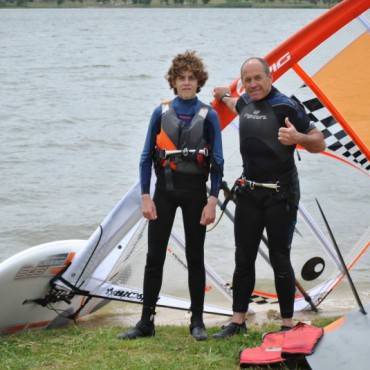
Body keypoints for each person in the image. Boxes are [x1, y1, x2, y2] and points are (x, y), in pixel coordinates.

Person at [212, 57, 325, 338]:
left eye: (257, 78)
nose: (252, 84)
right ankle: (238, 320)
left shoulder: (286, 105)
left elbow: (319, 142)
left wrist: (297, 136)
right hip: (249, 192)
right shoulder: (245, 103)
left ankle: (287, 323)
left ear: (269, 77)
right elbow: (232, 102)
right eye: (247, 80)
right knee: (243, 257)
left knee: (280, 257)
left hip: (280, 195)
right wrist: (222, 93)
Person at [118, 51, 224, 341]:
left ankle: (197, 321)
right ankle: (145, 322)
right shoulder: (160, 112)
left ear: (198, 81)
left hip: (195, 195)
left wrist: (212, 199)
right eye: (182, 78)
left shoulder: (209, 115)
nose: (187, 83)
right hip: (164, 191)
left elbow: (218, 161)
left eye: (192, 78)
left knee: (195, 256)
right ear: (173, 82)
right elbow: (144, 157)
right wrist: (145, 196)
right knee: (154, 257)